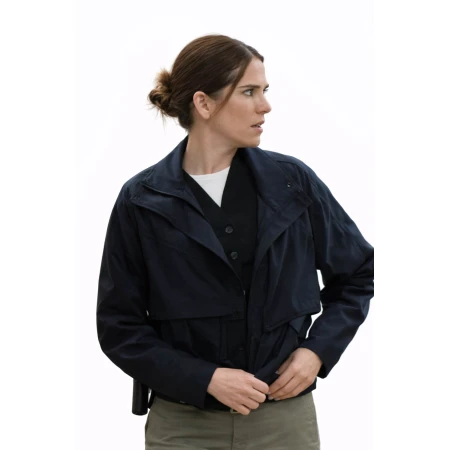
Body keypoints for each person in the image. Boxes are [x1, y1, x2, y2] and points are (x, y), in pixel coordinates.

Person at [96, 34, 374, 450]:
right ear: (203, 103)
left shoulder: (292, 183)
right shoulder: (142, 200)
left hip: (283, 423)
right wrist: (204, 378)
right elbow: (119, 326)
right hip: (183, 427)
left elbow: (358, 273)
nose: (265, 105)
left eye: (265, 90)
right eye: (249, 92)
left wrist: (317, 351)